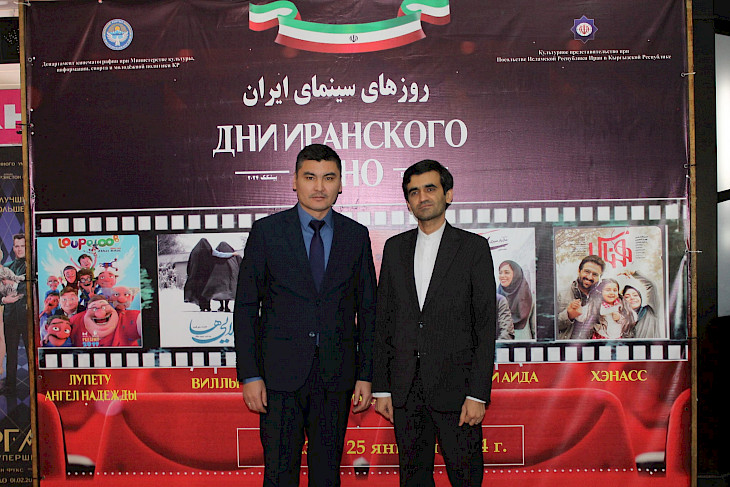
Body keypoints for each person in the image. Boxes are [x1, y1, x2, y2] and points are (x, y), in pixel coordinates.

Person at [234, 144, 376, 486]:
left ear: (340, 183)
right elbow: (246, 308)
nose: (319, 187)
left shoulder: (356, 236)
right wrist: (250, 375)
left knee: (327, 475)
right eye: (310, 177)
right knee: (279, 474)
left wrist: (366, 374)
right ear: (294, 181)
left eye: (329, 178)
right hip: (278, 378)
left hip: (336, 376)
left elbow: (369, 311)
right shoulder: (267, 232)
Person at [373, 159, 496, 487]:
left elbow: (485, 327)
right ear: (407, 202)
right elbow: (384, 322)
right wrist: (382, 387)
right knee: (413, 479)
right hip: (406, 390)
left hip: (458, 392)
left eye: (430, 188)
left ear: (448, 194)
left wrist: (478, 394)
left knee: (466, 478)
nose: (422, 197)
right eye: (414, 192)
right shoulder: (395, 249)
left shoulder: (473, 248)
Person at [1, 234, 27, 395]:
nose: (19, 249)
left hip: (28, 318)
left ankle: (35, 385)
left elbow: (26, 289)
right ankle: (10, 386)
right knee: (10, 353)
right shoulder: (6, 267)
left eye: (22, 246)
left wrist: (14, 284)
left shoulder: (32, 266)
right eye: (17, 246)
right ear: (13, 247)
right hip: (10, 317)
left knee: (31, 353)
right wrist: (4, 299)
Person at [556, 255, 605, 340]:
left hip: (591, 347)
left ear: (599, 277)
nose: (589, 277)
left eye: (595, 274)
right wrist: (568, 315)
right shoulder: (560, 294)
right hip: (566, 347)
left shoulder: (601, 298)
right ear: (579, 271)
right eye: (587, 271)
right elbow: (547, 327)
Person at [618, 272, 664, 339]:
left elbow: (651, 286)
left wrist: (634, 273)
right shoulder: (621, 318)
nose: (632, 298)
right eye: (627, 297)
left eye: (635, 295)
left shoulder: (651, 311)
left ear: (640, 298)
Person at [496, 260, 534, 340]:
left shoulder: (530, 298)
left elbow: (535, 331)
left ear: (516, 274)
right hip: (501, 345)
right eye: (500, 273)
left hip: (524, 345)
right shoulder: (496, 298)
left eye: (506, 272)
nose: (502, 276)